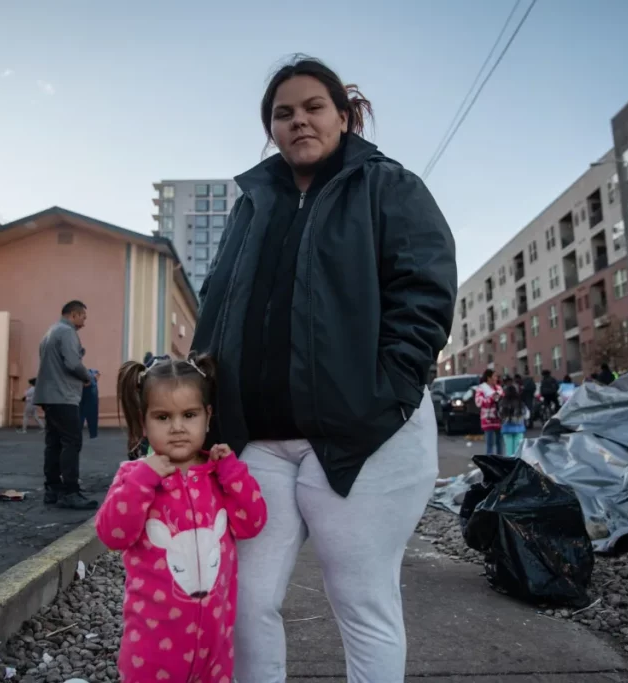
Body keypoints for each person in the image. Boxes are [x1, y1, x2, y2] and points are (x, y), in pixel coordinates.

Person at [190, 57, 456, 683]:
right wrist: (201, 405)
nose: (298, 120)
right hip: (261, 443)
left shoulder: (389, 186)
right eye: (283, 113)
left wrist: (385, 394)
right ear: (271, 129)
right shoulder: (252, 206)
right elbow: (219, 306)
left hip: (362, 436)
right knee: (245, 600)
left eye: (312, 106)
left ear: (344, 114)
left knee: (362, 601)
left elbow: (424, 294)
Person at [96, 354, 267, 683]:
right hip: (152, 648)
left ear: (207, 417)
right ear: (144, 423)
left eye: (189, 415)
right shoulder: (134, 476)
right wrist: (142, 481)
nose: (177, 427)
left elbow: (253, 522)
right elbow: (112, 535)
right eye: (163, 417)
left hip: (214, 649)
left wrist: (233, 473)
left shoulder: (219, 476)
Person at [35, 300, 95, 510]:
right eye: (83, 317)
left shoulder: (50, 332)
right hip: (64, 396)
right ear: (74, 314)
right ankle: (70, 492)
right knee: (72, 441)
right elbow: (72, 363)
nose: (84, 323)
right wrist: (87, 376)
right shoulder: (67, 332)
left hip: (48, 396)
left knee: (53, 443)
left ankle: (52, 489)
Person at [474, 369, 503, 455]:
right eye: (494, 376)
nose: (496, 378)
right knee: (490, 443)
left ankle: (500, 462)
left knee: (500, 443)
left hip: (499, 418)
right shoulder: (481, 388)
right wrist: (490, 399)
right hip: (488, 420)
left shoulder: (499, 388)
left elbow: (503, 399)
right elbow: (478, 402)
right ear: (489, 378)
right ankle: (490, 463)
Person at [498, 383, 530, 456]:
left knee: (509, 450)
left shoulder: (503, 402)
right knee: (518, 450)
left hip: (507, 428)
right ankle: (516, 465)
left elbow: (500, 415)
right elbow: (527, 415)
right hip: (519, 428)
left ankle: (509, 466)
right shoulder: (520, 403)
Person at [80, 368, 100, 439]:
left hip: (88, 388)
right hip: (87, 388)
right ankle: (92, 433)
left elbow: (97, 374)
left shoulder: (91, 372)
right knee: (82, 412)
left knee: (89, 412)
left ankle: (92, 433)